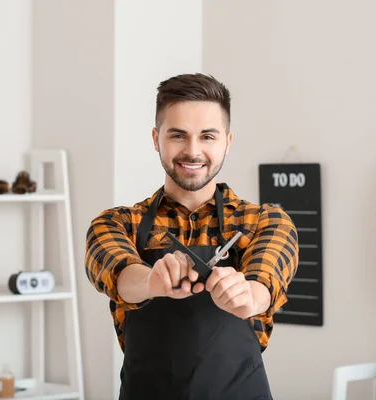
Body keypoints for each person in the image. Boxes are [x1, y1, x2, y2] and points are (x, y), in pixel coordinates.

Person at [85, 73, 299, 400]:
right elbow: (115, 271)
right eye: (178, 135)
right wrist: (151, 281)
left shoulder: (264, 222)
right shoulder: (118, 223)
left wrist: (248, 296)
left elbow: (265, 281)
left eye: (207, 136)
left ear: (227, 141)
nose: (192, 151)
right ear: (156, 139)